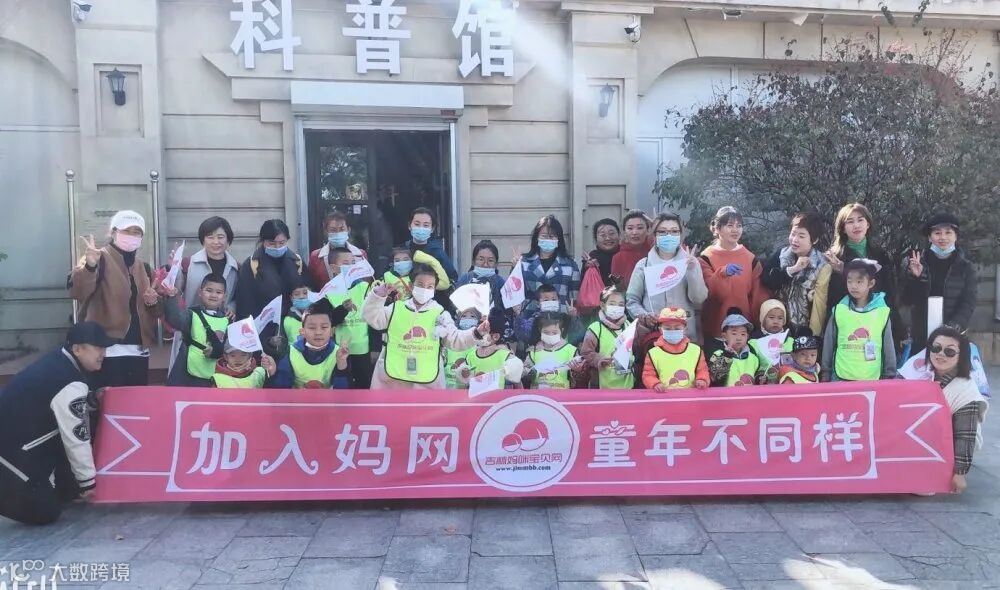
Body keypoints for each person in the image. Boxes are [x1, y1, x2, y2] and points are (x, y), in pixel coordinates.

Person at [0, 322, 116, 525]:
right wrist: (88, 483)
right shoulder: (69, 381)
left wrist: (91, 400)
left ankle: (64, 486)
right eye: (98, 348)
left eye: (104, 348)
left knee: (64, 491)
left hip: (14, 442)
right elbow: (76, 437)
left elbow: (55, 404)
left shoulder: (58, 361)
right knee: (46, 511)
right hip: (8, 455)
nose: (103, 354)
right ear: (77, 349)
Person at [69, 210, 162, 387]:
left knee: (135, 401)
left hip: (138, 351)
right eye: (126, 231)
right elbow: (77, 292)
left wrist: (153, 302)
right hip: (104, 350)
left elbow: (156, 312)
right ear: (113, 232)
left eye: (136, 232)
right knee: (106, 400)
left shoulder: (145, 268)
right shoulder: (97, 258)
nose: (132, 236)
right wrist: (90, 266)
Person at [363, 262, 490, 389]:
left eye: (430, 286)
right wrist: (377, 296)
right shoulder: (396, 308)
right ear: (411, 286)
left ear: (434, 290)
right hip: (392, 380)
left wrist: (476, 333)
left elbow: (455, 340)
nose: (425, 289)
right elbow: (372, 317)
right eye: (420, 285)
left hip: (426, 383)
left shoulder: (440, 314)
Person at [821, 203, 903, 348]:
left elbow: (889, 293)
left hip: (876, 321)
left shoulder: (880, 254)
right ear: (843, 228)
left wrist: (897, 327)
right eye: (850, 222)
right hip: (848, 325)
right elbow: (832, 299)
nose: (856, 225)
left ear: (868, 224)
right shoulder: (834, 257)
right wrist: (841, 272)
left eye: (860, 220)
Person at [922, 325, 988, 494]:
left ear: (962, 356)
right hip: (924, 440)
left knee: (922, 489)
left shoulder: (965, 390)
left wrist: (960, 473)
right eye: (936, 348)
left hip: (952, 444)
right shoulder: (921, 375)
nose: (941, 354)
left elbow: (965, 435)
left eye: (949, 351)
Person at [901, 213, 978, 352]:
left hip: (953, 335)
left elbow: (969, 301)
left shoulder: (966, 267)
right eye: (937, 233)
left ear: (956, 236)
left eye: (948, 233)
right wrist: (916, 277)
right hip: (921, 335)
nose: (943, 237)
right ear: (930, 237)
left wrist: (954, 326)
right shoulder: (918, 263)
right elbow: (907, 300)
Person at [626, 212, 708, 342]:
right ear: (655, 235)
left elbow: (699, 299)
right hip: (654, 335)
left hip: (686, 336)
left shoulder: (690, 262)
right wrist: (644, 316)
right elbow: (632, 300)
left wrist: (692, 271)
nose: (668, 236)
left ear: (680, 235)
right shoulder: (643, 265)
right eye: (662, 232)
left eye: (674, 231)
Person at [822, 259, 897, 381]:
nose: (853, 286)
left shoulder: (882, 311)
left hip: (871, 378)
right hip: (840, 377)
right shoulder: (840, 310)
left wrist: (889, 374)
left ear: (871, 283)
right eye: (849, 281)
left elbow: (888, 344)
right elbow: (829, 342)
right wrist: (825, 371)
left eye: (859, 281)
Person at [698, 206, 765, 345]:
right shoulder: (706, 258)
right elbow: (709, 293)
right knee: (718, 360)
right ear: (717, 228)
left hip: (744, 331)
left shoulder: (750, 259)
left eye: (739, 226)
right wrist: (722, 273)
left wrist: (758, 326)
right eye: (730, 225)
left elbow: (758, 296)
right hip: (716, 331)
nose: (735, 230)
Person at [761, 212, 830, 335]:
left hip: (803, 330)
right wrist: (792, 269)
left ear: (814, 240)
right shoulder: (781, 255)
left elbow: (819, 306)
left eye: (801, 236)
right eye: (793, 234)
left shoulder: (822, 265)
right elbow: (767, 280)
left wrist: (813, 335)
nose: (795, 240)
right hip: (777, 328)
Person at [162, 274, 230, 387]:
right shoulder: (191, 314)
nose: (213, 295)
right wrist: (171, 297)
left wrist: (217, 350)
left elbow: (229, 348)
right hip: (186, 375)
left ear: (224, 297)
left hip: (214, 378)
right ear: (200, 292)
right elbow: (175, 320)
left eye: (218, 292)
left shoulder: (228, 320)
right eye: (209, 290)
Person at [268, 298, 352, 389]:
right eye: (312, 328)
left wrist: (341, 363)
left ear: (332, 331)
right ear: (302, 332)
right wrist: (273, 372)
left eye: (324, 327)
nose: (318, 332)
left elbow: (343, 392)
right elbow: (281, 389)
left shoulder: (339, 353)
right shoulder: (290, 352)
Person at [324, 247, 376, 389]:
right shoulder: (328, 291)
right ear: (334, 268)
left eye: (353, 262)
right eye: (346, 263)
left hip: (363, 348)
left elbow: (373, 317)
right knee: (343, 385)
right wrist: (343, 309)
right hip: (339, 349)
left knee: (363, 386)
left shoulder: (365, 287)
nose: (351, 266)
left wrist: (375, 347)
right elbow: (329, 321)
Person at [236, 219, 306, 319]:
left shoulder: (297, 261)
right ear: (263, 241)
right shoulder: (251, 265)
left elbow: (310, 291)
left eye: (282, 243)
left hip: (294, 321)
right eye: (272, 243)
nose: (277, 247)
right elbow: (244, 303)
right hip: (263, 322)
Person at [178, 216, 240, 317]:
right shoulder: (188, 263)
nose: (216, 242)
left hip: (222, 324)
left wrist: (232, 308)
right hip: (192, 322)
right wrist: (173, 269)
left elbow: (238, 296)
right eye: (210, 237)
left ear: (228, 239)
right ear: (203, 240)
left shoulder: (236, 268)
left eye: (220, 237)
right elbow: (175, 291)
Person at [518, 215, 581, 313]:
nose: (548, 239)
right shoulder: (524, 263)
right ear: (536, 237)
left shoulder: (570, 264)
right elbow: (515, 292)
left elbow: (575, 297)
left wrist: (573, 313)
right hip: (530, 317)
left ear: (559, 239)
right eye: (544, 236)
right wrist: (514, 267)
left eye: (552, 236)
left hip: (560, 318)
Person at [642, 307, 709, 391]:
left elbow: (702, 370)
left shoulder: (696, 350)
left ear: (685, 330)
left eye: (677, 328)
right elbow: (648, 374)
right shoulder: (653, 353)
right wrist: (655, 384)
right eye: (667, 328)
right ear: (661, 330)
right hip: (663, 396)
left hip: (690, 396)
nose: (672, 331)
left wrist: (702, 380)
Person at [579, 286, 634, 390]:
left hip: (627, 386)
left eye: (621, 305)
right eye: (612, 304)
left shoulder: (629, 326)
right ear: (603, 305)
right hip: (602, 386)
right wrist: (598, 359)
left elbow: (635, 348)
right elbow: (585, 353)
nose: (617, 307)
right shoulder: (595, 329)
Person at [458, 309, 524, 389]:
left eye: (483, 332)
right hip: (476, 397)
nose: (479, 334)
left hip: (498, 397)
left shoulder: (505, 356)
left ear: (495, 336)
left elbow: (518, 383)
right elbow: (463, 383)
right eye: (478, 331)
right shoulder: (470, 356)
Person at [308, 211, 369, 291]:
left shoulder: (360, 254)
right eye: (333, 230)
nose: (338, 233)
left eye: (342, 229)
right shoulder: (316, 256)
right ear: (326, 232)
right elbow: (312, 285)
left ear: (348, 230)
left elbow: (366, 281)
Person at [522, 312, 585, 389]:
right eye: (546, 332)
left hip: (562, 394)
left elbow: (580, 379)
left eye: (554, 332)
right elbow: (524, 375)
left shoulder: (571, 350)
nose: (550, 335)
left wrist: (577, 370)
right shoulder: (533, 351)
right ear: (540, 330)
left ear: (562, 330)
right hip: (538, 395)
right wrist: (530, 372)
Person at [708, 308, 765, 387]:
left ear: (747, 336)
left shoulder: (753, 356)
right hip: (727, 394)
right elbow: (715, 377)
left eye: (743, 334)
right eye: (734, 333)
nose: (739, 338)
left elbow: (758, 373)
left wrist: (760, 378)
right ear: (724, 336)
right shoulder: (718, 354)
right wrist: (727, 355)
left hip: (750, 394)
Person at [404, 207, 458, 281]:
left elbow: (452, 278)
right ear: (409, 226)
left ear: (432, 229)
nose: (421, 228)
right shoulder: (403, 250)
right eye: (417, 224)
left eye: (426, 225)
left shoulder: (438, 253)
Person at [749, 299, 794, 381]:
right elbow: (750, 367)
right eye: (771, 317)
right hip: (764, 385)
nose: (776, 321)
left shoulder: (791, 341)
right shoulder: (753, 343)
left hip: (788, 383)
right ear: (763, 319)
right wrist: (758, 378)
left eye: (780, 318)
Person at [212, 338, 277, 389]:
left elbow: (270, 396)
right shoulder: (217, 378)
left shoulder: (260, 373)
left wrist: (272, 374)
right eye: (233, 355)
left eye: (243, 355)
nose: (238, 359)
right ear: (226, 357)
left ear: (250, 355)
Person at [611, 210, 653, 287]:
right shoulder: (618, 258)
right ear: (624, 232)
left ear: (648, 230)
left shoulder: (656, 252)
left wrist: (657, 227)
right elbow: (618, 288)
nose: (634, 232)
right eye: (630, 228)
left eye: (640, 228)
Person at [444, 307, 481, 389]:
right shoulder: (451, 339)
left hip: (468, 388)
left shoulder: (480, 343)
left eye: (472, 316)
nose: (468, 319)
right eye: (464, 316)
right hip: (447, 385)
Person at [583, 218, 620, 287]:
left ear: (619, 235)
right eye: (603, 235)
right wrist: (588, 268)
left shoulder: (626, 254)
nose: (608, 238)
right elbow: (584, 285)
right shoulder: (592, 257)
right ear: (595, 239)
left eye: (611, 234)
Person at [284, 280, 311, 344]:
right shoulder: (286, 320)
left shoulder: (320, 315)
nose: (301, 297)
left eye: (305, 293)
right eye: (296, 294)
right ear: (291, 298)